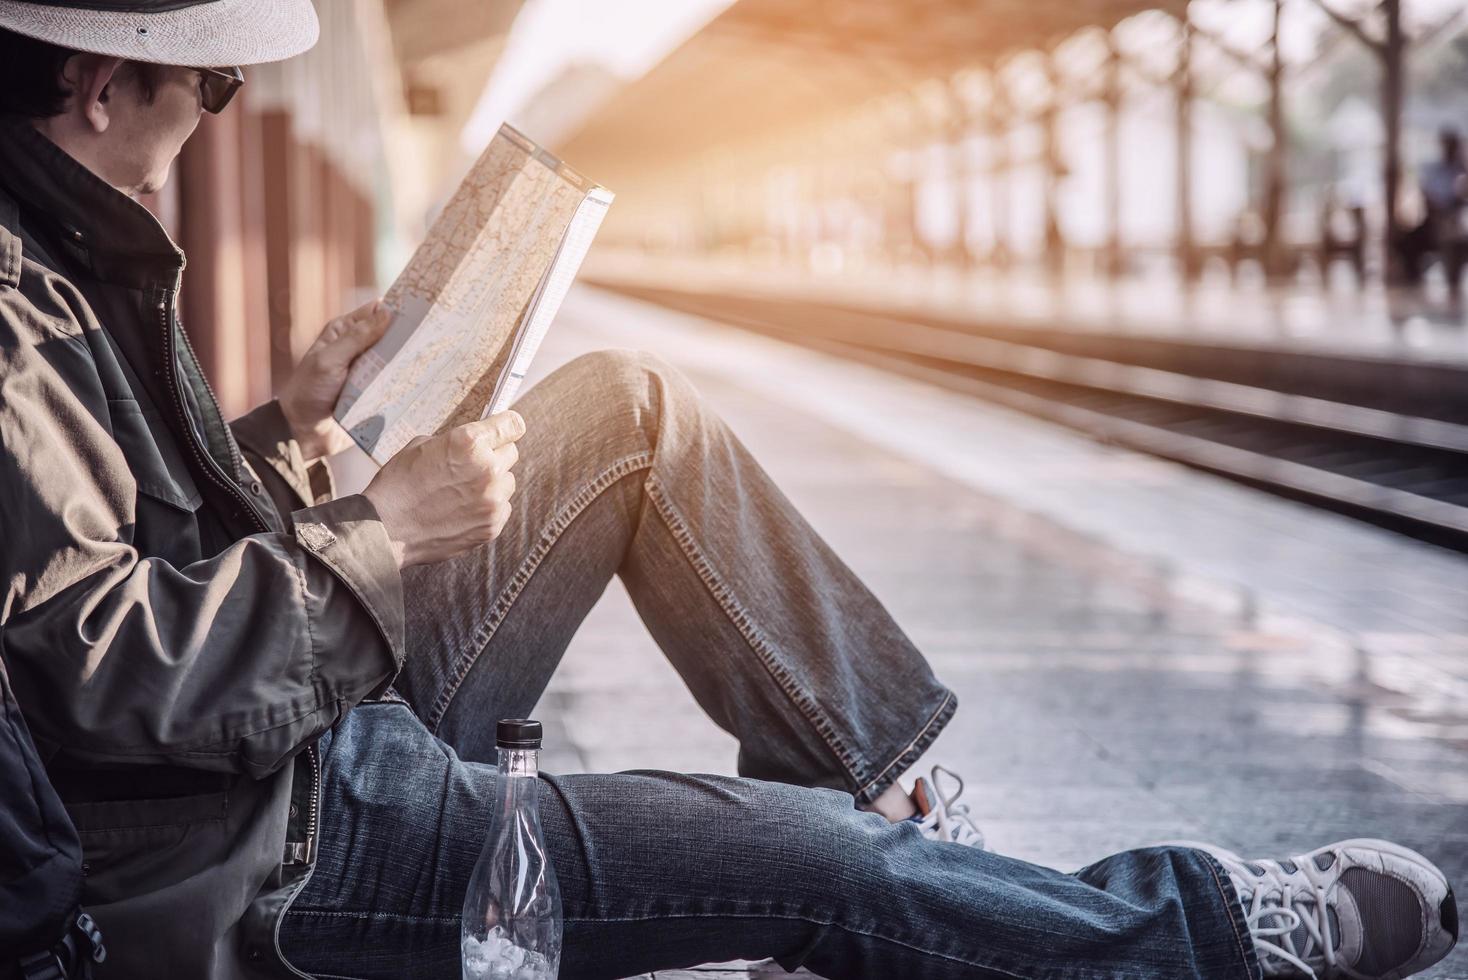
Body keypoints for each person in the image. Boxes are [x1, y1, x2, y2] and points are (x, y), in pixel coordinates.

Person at [0, 3, 1457, 979]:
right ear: (96, 80)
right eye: (213, 82)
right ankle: (1201, 934)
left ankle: (899, 805)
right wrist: (387, 531)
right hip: (273, 854)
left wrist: (296, 434)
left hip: (301, 737)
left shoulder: (72, 247)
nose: (218, 111)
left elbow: (130, 554)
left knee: (629, 407)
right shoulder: (17, 306)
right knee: (816, 865)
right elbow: (109, 676)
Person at [1399, 127, 1468, 293]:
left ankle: (1453, 281)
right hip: (1434, 221)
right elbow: (1426, 195)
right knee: (1405, 242)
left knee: (1454, 240)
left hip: (1457, 223)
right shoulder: (1434, 170)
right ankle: (1413, 285)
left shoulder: (1461, 171)